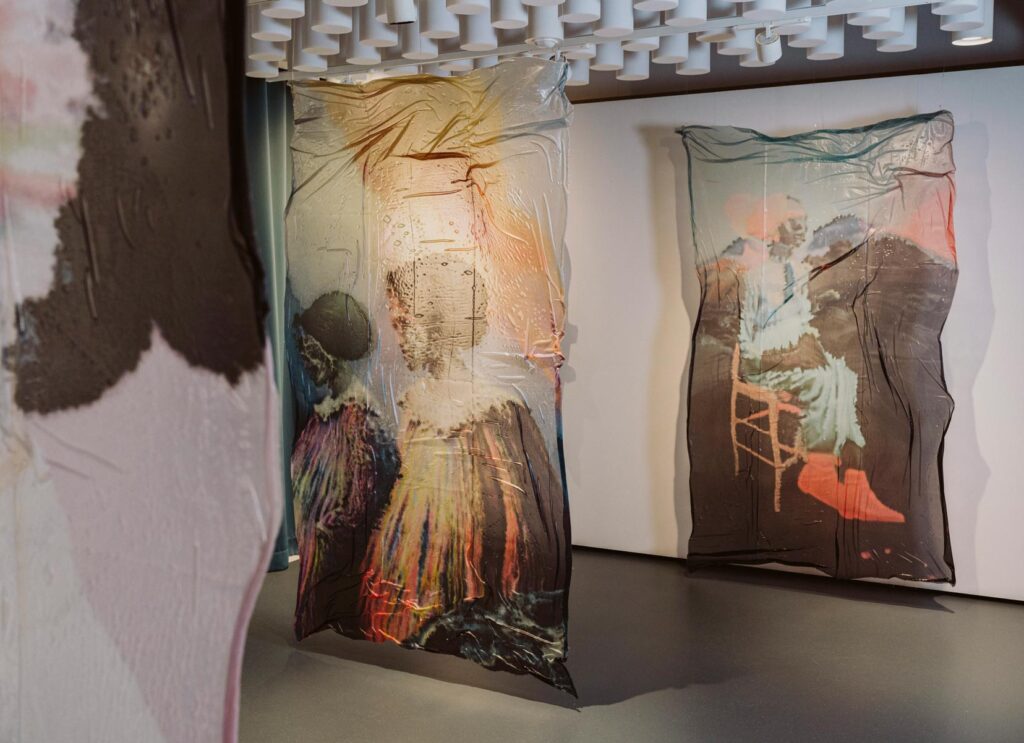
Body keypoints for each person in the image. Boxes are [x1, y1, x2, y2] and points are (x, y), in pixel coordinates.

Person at [726, 196, 904, 523]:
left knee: (843, 375)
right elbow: (749, 337)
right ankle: (818, 474)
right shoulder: (755, 277)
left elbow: (802, 322)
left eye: (804, 221)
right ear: (775, 228)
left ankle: (854, 480)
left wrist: (808, 344)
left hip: (794, 357)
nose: (802, 228)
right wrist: (792, 349)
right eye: (794, 221)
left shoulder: (798, 270)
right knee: (822, 380)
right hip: (762, 363)